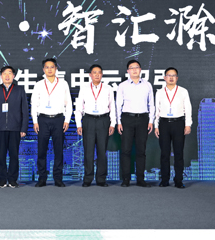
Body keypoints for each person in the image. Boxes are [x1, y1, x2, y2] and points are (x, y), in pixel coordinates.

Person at [31, 58, 72, 187]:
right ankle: (42, 178)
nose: (49, 69)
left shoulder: (63, 83)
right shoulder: (39, 84)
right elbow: (34, 104)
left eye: (52, 67)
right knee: (41, 150)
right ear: (43, 69)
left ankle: (58, 178)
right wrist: (35, 121)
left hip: (58, 119)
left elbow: (68, 103)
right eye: (47, 67)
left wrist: (67, 120)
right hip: (42, 119)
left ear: (56, 68)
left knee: (58, 150)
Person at [0, 66, 29, 188]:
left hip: (15, 128)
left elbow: (24, 111)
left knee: (14, 155)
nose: (7, 76)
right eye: (4, 73)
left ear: (13, 76)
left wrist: (23, 128)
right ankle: (1, 180)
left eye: (9, 73)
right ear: (1, 76)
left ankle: (12, 180)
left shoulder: (19, 90)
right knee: (1, 155)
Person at [75, 64, 116, 187]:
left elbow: (112, 107)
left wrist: (112, 124)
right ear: (90, 75)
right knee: (88, 151)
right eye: (94, 72)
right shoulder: (84, 88)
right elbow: (79, 107)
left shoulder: (108, 88)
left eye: (99, 72)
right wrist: (78, 124)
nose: (97, 75)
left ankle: (101, 179)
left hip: (103, 120)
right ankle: (87, 179)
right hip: (88, 120)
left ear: (102, 74)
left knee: (102, 151)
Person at [116, 59, 155, 187]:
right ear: (128, 71)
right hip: (127, 119)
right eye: (131, 68)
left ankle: (140, 179)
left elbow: (151, 104)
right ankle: (126, 179)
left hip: (143, 119)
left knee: (141, 150)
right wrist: (118, 122)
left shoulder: (147, 85)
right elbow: (118, 105)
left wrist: (151, 121)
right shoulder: (122, 86)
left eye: (136, 67)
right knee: (126, 150)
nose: (134, 70)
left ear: (140, 69)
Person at [154, 67, 192, 189]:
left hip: (178, 123)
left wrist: (188, 124)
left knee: (178, 153)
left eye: (174, 75)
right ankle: (164, 179)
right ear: (164, 78)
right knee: (164, 153)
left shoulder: (183, 91)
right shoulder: (159, 92)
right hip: (164, 123)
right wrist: (156, 126)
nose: (171, 77)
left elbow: (188, 108)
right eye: (169, 75)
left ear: (177, 78)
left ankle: (178, 180)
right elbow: (156, 110)